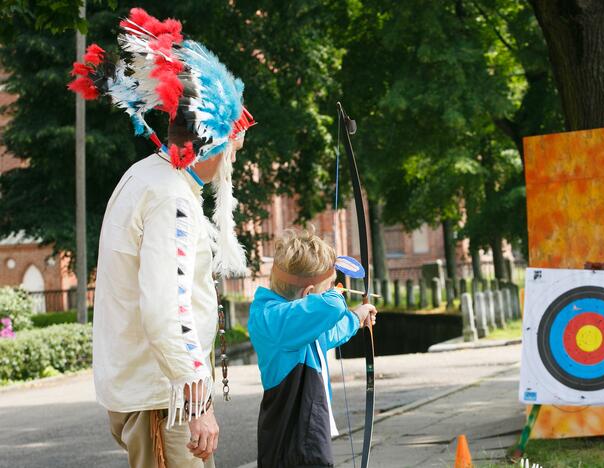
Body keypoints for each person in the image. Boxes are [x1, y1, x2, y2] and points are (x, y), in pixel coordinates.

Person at [69, 8, 255, 467]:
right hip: (163, 401)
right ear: (210, 144)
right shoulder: (171, 196)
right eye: (232, 143)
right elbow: (165, 308)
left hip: (158, 395)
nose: (236, 152)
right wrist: (196, 403)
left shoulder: (150, 178)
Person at [248, 229, 377, 468]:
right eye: (329, 286)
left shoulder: (295, 320)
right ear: (308, 294)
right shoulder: (274, 319)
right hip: (292, 446)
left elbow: (327, 333)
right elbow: (330, 307)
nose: (335, 290)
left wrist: (356, 317)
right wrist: (334, 294)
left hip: (304, 442)